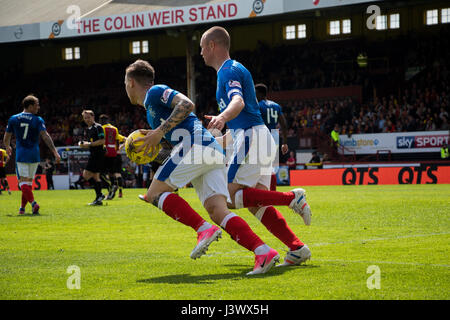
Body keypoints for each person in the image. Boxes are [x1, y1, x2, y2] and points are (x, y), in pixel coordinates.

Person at [125, 59, 280, 275]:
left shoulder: (154, 92)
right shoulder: (152, 110)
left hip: (196, 146)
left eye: (125, 83)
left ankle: (203, 229)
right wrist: (152, 148)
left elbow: (187, 104)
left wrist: (159, 132)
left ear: (131, 82)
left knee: (154, 194)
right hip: (207, 150)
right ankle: (263, 252)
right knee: (218, 211)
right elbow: (178, 139)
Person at [201, 26, 311, 267]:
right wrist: (214, 139)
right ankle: (297, 248)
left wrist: (222, 118)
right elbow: (242, 117)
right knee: (256, 205)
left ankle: (292, 198)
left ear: (212, 46)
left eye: (202, 47)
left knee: (228, 197)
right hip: (256, 137)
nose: (200, 53)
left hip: (251, 138)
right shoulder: (235, 68)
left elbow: (238, 103)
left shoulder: (226, 71)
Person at [3, 94, 61, 214]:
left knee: (23, 184)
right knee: (28, 184)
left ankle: (34, 203)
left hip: (21, 154)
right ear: (29, 106)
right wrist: (55, 151)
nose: (38, 107)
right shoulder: (38, 120)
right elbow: (45, 136)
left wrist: (7, 146)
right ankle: (22, 208)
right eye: (36, 105)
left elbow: (7, 137)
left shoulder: (13, 118)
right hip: (34, 154)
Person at [255, 83, 289, 191]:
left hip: (262, 134)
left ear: (260, 93)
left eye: (255, 93)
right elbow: (283, 124)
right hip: (274, 134)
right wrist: (285, 142)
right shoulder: (276, 105)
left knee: (261, 164)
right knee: (272, 165)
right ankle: (271, 191)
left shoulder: (258, 106)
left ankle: (265, 191)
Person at [78, 110, 106, 206]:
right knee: (95, 177)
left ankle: (100, 194)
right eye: (85, 118)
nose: (87, 119)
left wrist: (89, 144)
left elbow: (102, 141)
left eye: (88, 117)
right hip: (94, 154)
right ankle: (99, 198)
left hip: (98, 154)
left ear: (93, 117)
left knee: (85, 175)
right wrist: (83, 143)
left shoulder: (98, 127)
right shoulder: (88, 129)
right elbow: (90, 142)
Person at [99, 114, 126, 200]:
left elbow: (101, 140)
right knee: (115, 173)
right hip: (115, 153)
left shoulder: (102, 128)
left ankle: (112, 186)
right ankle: (117, 192)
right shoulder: (115, 129)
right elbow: (119, 139)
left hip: (105, 153)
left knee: (101, 173)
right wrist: (118, 149)